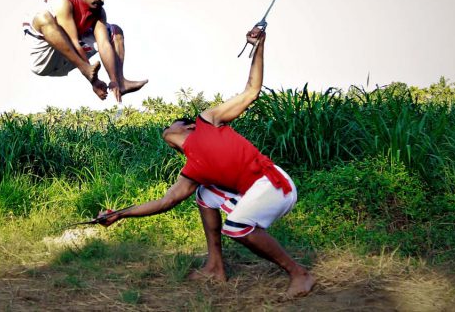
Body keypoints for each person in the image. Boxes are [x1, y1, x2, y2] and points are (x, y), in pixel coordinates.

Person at [96, 28, 315, 298]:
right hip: (254, 192)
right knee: (204, 194)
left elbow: (251, 91)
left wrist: (259, 46)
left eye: (173, 122)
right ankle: (215, 267)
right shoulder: (192, 171)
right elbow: (165, 202)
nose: (167, 126)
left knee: (235, 227)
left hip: (274, 185)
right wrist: (119, 214)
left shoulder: (207, 121)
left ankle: (299, 273)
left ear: (187, 127)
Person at [23, 0, 147, 102]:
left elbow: (104, 44)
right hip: (44, 59)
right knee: (43, 17)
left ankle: (120, 83)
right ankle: (87, 70)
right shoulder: (62, 0)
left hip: (69, 56)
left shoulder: (98, 11)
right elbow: (73, 42)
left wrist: (112, 81)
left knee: (114, 31)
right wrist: (92, 79)